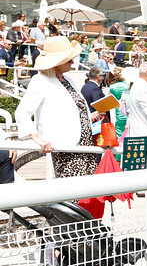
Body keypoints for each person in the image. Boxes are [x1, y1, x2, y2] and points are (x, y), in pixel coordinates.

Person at [15, 36, 101, 178]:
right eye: (68, 59)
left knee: (86, 192)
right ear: (57, 62)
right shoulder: (40, 80)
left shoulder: (69, 80)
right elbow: (22, 112)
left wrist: (88, 117)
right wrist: (37, 138)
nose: (73, 62)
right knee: (74, 192)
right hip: (66, 146)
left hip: (85, 145)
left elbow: (70, 109)